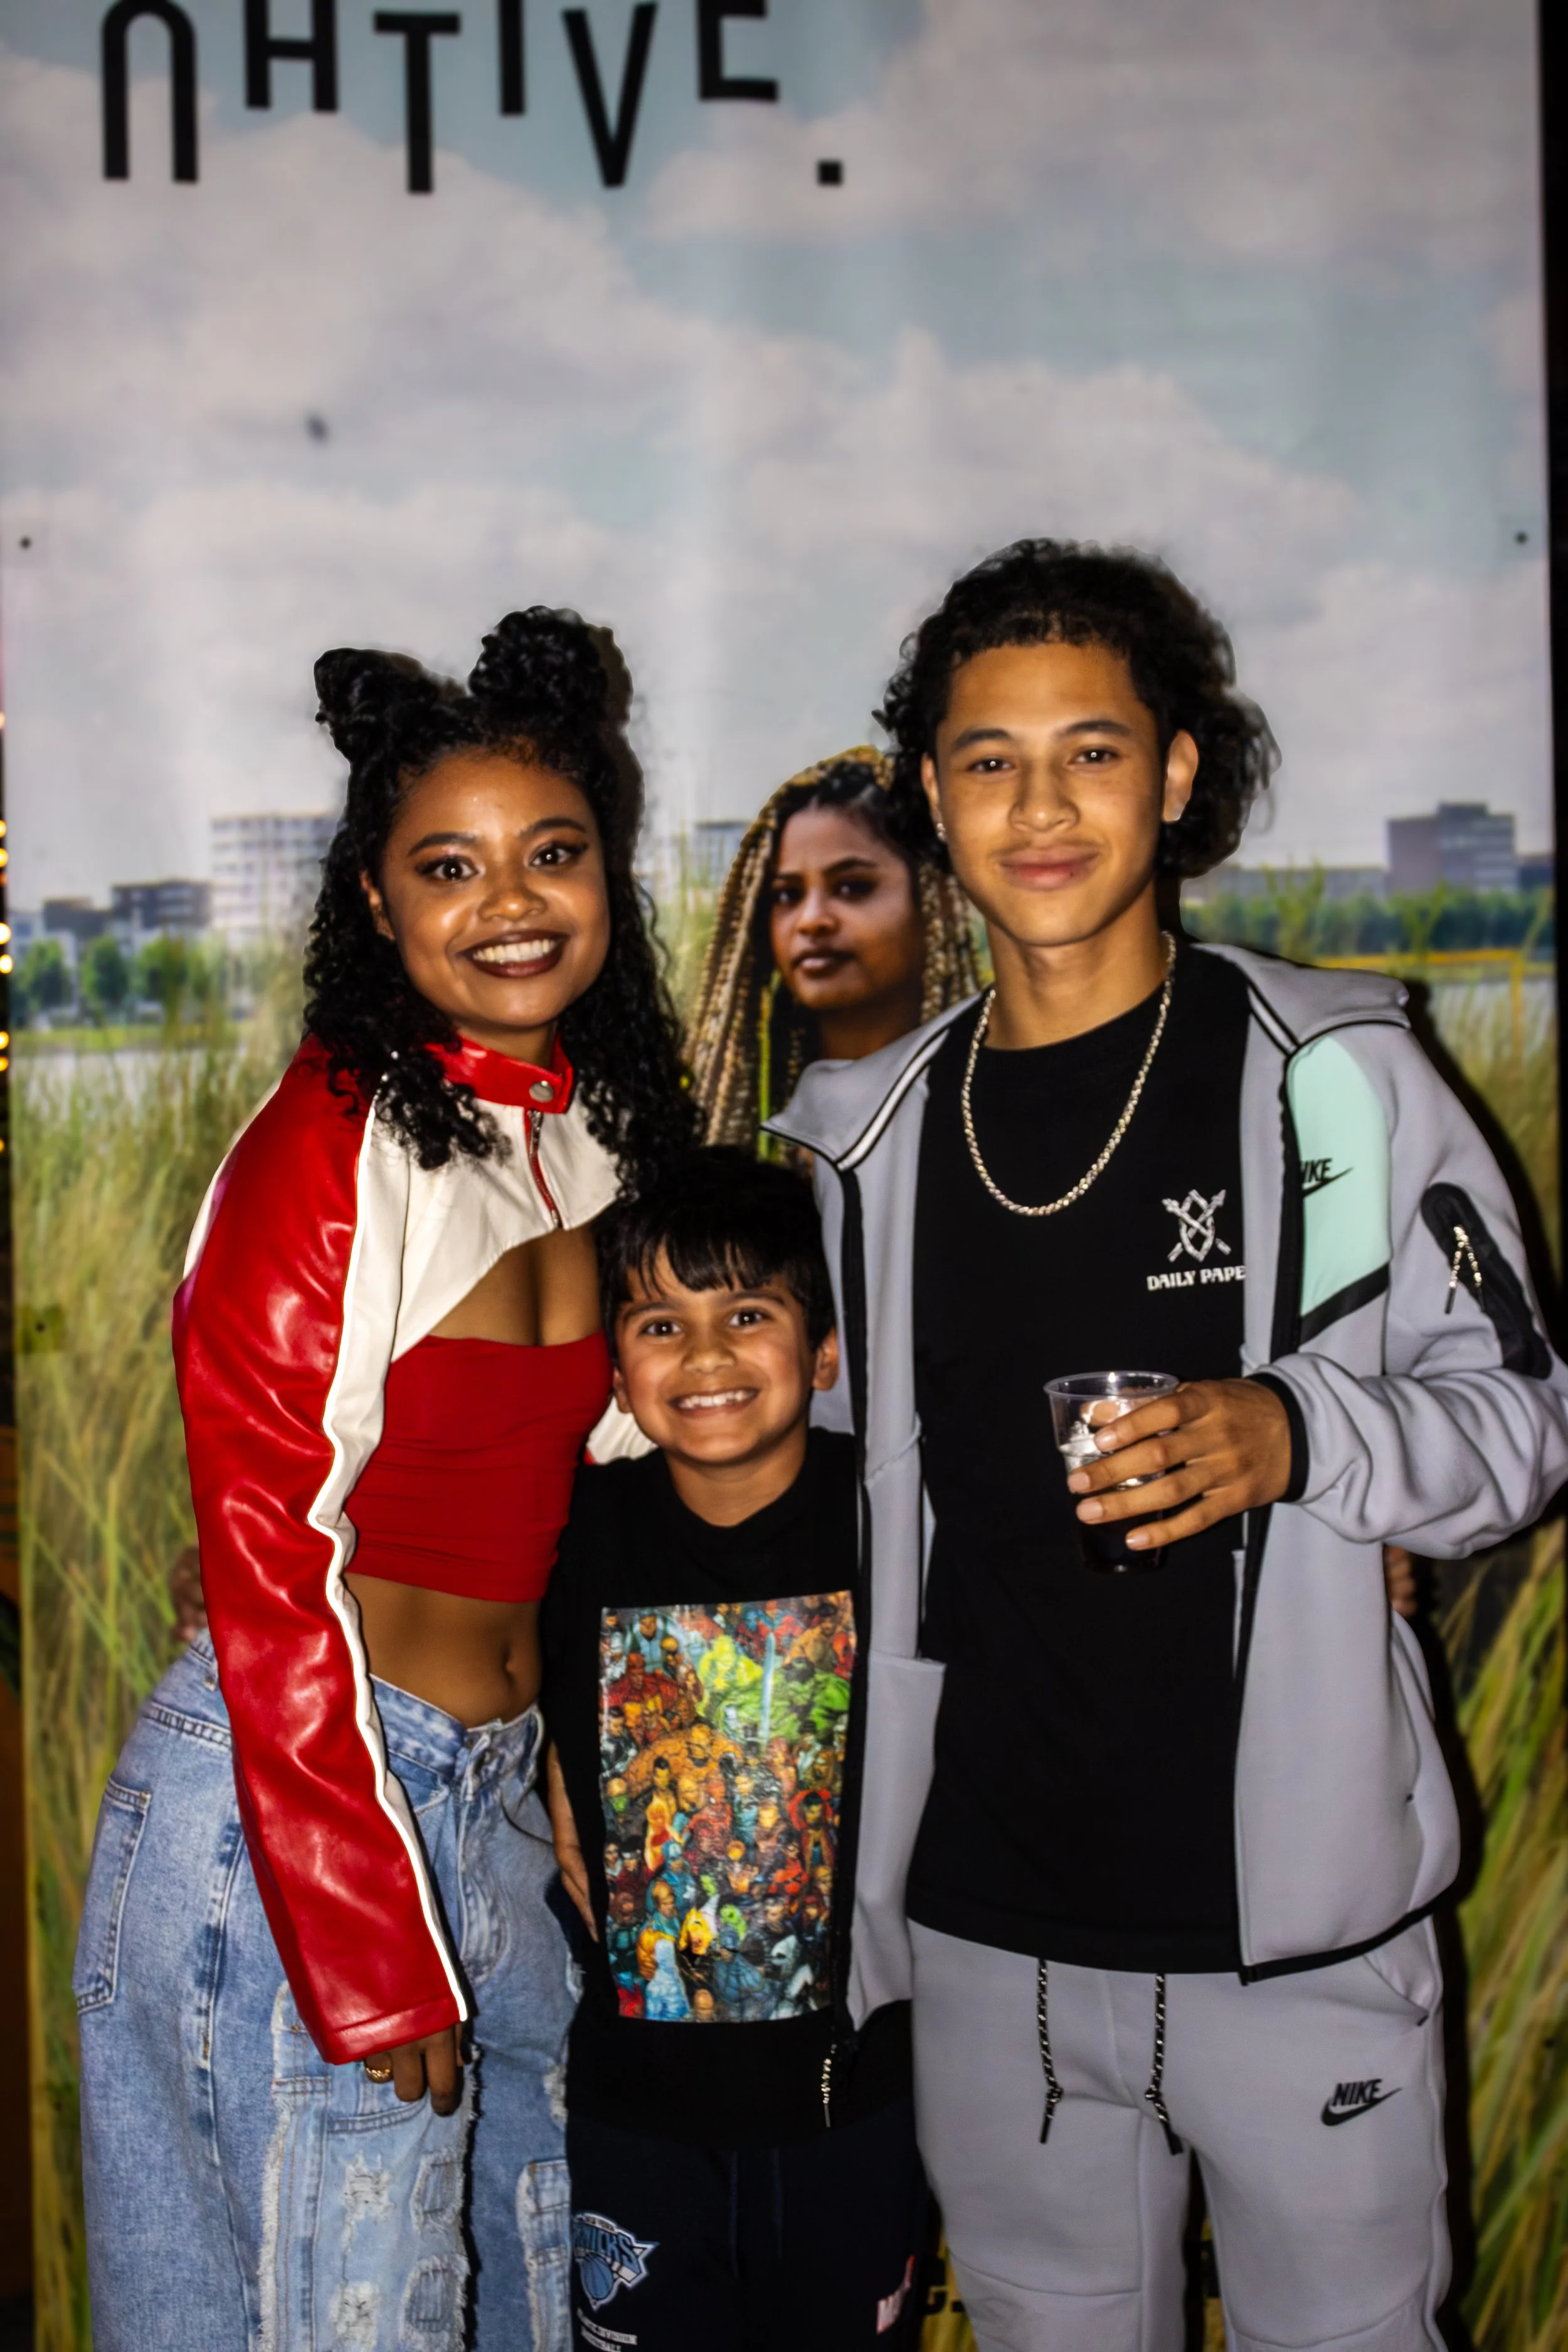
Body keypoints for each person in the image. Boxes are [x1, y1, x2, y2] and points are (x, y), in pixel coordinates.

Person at [766, 539, 1568, 2352]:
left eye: (1092, 749)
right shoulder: (858, 1143)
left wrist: (1300, 1428)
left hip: (1292, 1945)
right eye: (987, 757)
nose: (1038, 803)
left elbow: (1519, 1416)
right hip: (982, 1951)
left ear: (1176, 774)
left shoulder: (1331, 1085)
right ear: (934, 796)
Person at [75, 609, 691, 2352]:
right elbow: (266, 1551)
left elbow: (591, 1495)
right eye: (449, 865)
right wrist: (363, 1938)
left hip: (483, 1805)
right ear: (374, 901)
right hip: (309, 1815)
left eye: (552, 852)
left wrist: (563, 1758)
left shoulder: (589, 1117)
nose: (510, 899)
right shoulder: (330, 1134)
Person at [542, 1150, 927, 2349]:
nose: (705, 1359)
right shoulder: (571, 1531)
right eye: (664, 1324)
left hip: (856, 2111)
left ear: (822, 1353)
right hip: (635, 2116)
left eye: (747, 1315)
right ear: (619, 1364)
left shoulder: (900, 1522)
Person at [687, 748, 980, 1153]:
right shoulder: (725, 1134)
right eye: (787, 895)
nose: (811, 920)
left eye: (852, 887)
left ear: (937, 904)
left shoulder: (1000, 1116)